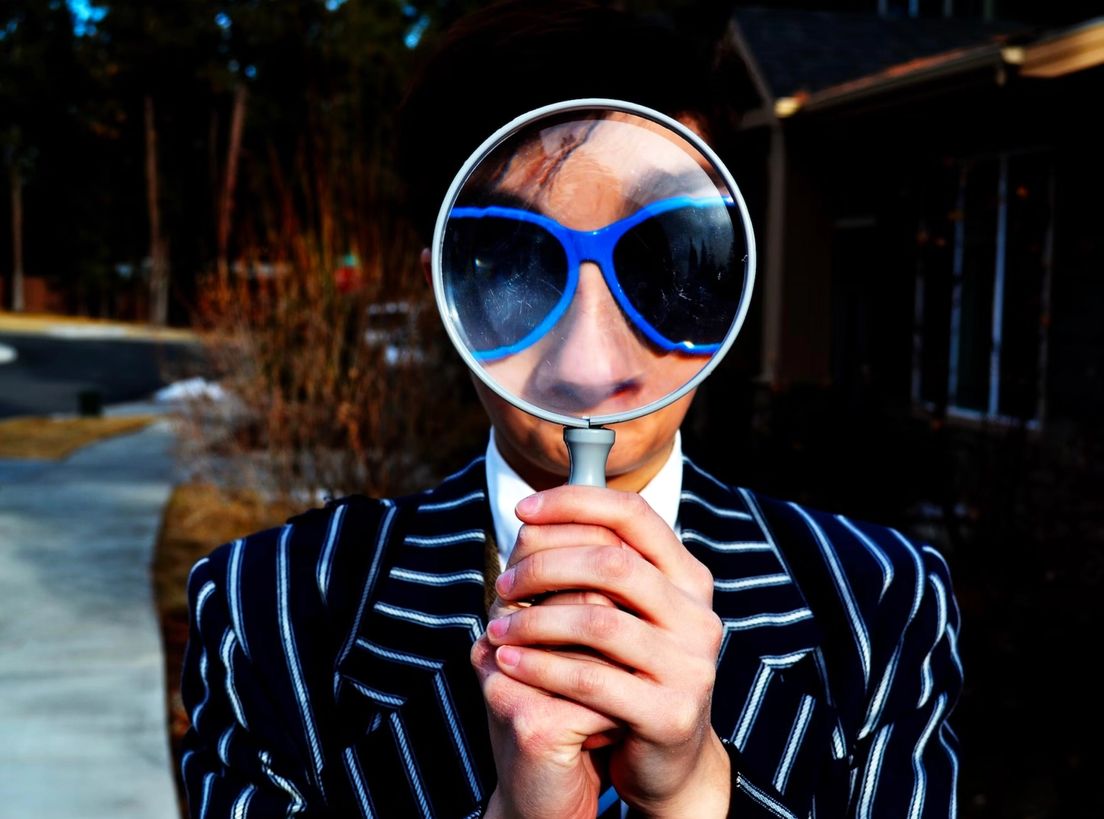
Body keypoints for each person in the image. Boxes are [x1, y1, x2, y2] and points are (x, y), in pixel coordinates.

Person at [179, 2, 963, 817]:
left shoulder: (881, 603)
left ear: (730, 269)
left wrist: (697, 795)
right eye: (515, 265)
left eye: (663, 255)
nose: (589, 369)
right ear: (443, 292)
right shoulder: (269, 611)